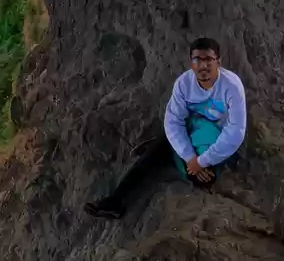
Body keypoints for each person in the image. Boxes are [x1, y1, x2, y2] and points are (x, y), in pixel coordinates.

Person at [84, 37, 247, 219]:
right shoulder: (184, 84)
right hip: (191, 128)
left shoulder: (231, 86)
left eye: (208, 59)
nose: (203, 66)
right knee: (155, 154)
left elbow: (235, 132)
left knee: (202, 179)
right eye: (197, 60)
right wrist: (189, 157)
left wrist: (201, 162)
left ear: (219, 62)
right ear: (191, 63)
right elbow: (173, 121)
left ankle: (167, 151)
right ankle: (116, 201)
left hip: (213, 135)